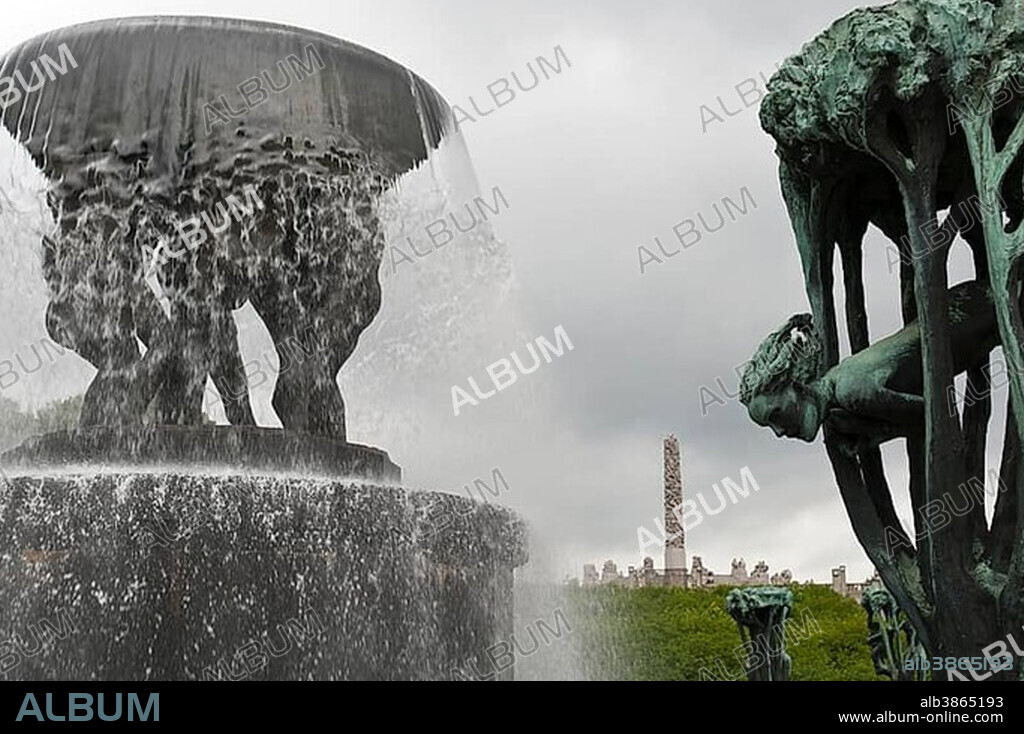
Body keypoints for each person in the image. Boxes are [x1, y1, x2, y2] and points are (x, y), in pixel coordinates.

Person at [740, 280, 1001, 452]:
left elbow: (936, 415)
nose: (779, 432)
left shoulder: (851, 392)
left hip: (980, 312)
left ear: (794, 386)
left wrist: (874, 434)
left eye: (775, 415)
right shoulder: (840, 387)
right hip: (974, 313)